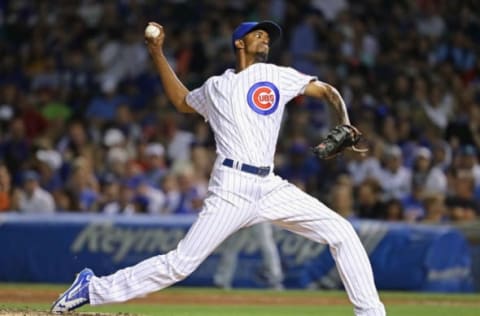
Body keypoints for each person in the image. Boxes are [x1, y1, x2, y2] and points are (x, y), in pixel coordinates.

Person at [51, 20, 386, 315]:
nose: (266, 39)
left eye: (268, 35)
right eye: (258, 34)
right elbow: (182, 102)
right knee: (180, 264)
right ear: (239, 43)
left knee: (342, 232)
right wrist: (157, 53)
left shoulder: (277, 76)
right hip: (231, 187)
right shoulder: (215, 87)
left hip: (270, 186)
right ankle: (91, 289)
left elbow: (327, 90)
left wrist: (345, 121)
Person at [213, 222, 284, 290]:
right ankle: (221, 281)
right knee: (231, 248)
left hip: (257, 215)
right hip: (244, 213)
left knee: (266, 245)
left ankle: (275, 280)